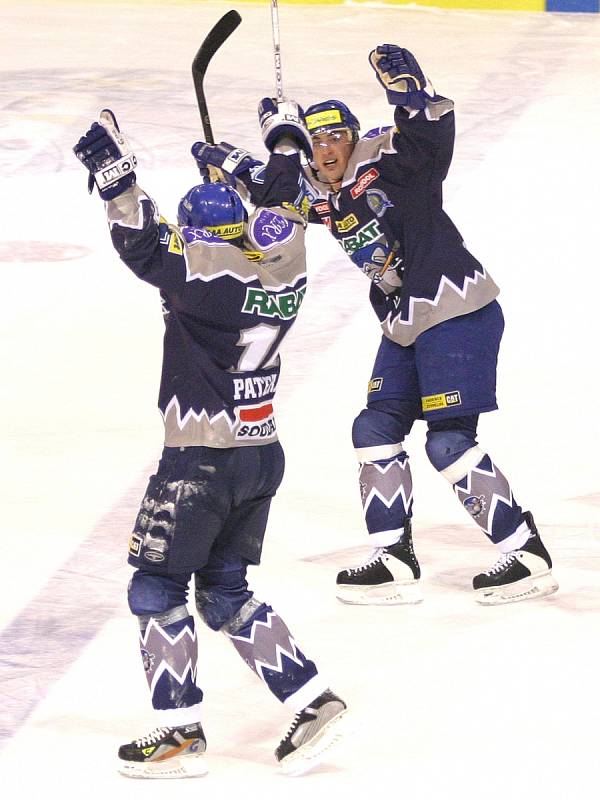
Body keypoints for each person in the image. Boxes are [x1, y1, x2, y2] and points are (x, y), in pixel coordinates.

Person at [195, 46, 559, 608]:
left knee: (448, 441)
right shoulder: (323, 189)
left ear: (354, 136)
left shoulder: (387, 163)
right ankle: (393, 557)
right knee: (373, 429)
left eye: (335, 136)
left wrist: (409, 94)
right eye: (316, 141)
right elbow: (280, 197)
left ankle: (525, 550)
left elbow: (428, 145)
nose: (326, 148)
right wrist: (236, 168)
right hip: (404, 323)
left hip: (455, 308)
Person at [73, 104, 346, 779]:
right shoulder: (285, 260)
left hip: (201, 459)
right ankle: (312, 699)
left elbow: (143, 241)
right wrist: (278, 139)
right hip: (260, 452)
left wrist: (115, 174)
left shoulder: (199, 275)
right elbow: (281, 198)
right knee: (224, 589)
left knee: (156, 585)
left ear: (198, 235)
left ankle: (177, 734)